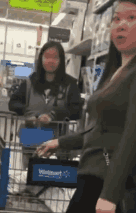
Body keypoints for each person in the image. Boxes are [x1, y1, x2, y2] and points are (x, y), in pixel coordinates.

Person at [34, 0, 136, 213]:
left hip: (112, 187)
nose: (121, 24)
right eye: (116, 18)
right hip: (93, 181)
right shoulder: (116, 72)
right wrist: (61, 142)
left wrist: (110, 195)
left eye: (131, 18)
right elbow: (102, 131)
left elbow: (135, 136)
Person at [8, 41, 82, 196]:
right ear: (41, 58)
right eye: (47, 56)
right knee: (30, 178)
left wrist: (55, 115)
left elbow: (76, 110)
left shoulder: (70, 84)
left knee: (50, 184)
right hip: (31, 138)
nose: (50, 61)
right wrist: (32, 115)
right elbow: (13, 103)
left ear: (61, 61)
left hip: (57, 142)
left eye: (55, 57)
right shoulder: (30, 81)